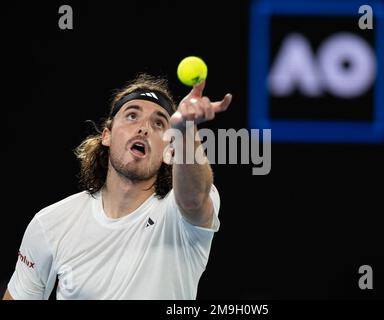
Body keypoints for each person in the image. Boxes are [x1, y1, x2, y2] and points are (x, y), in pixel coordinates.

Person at [2, 73, 232, 300]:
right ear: (106, 136)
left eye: (159, 123)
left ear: (168, 150)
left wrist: (185, 130)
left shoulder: (181, 216)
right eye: (132, 116)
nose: (144, 128)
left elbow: (194, 199)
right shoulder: (50, 224)